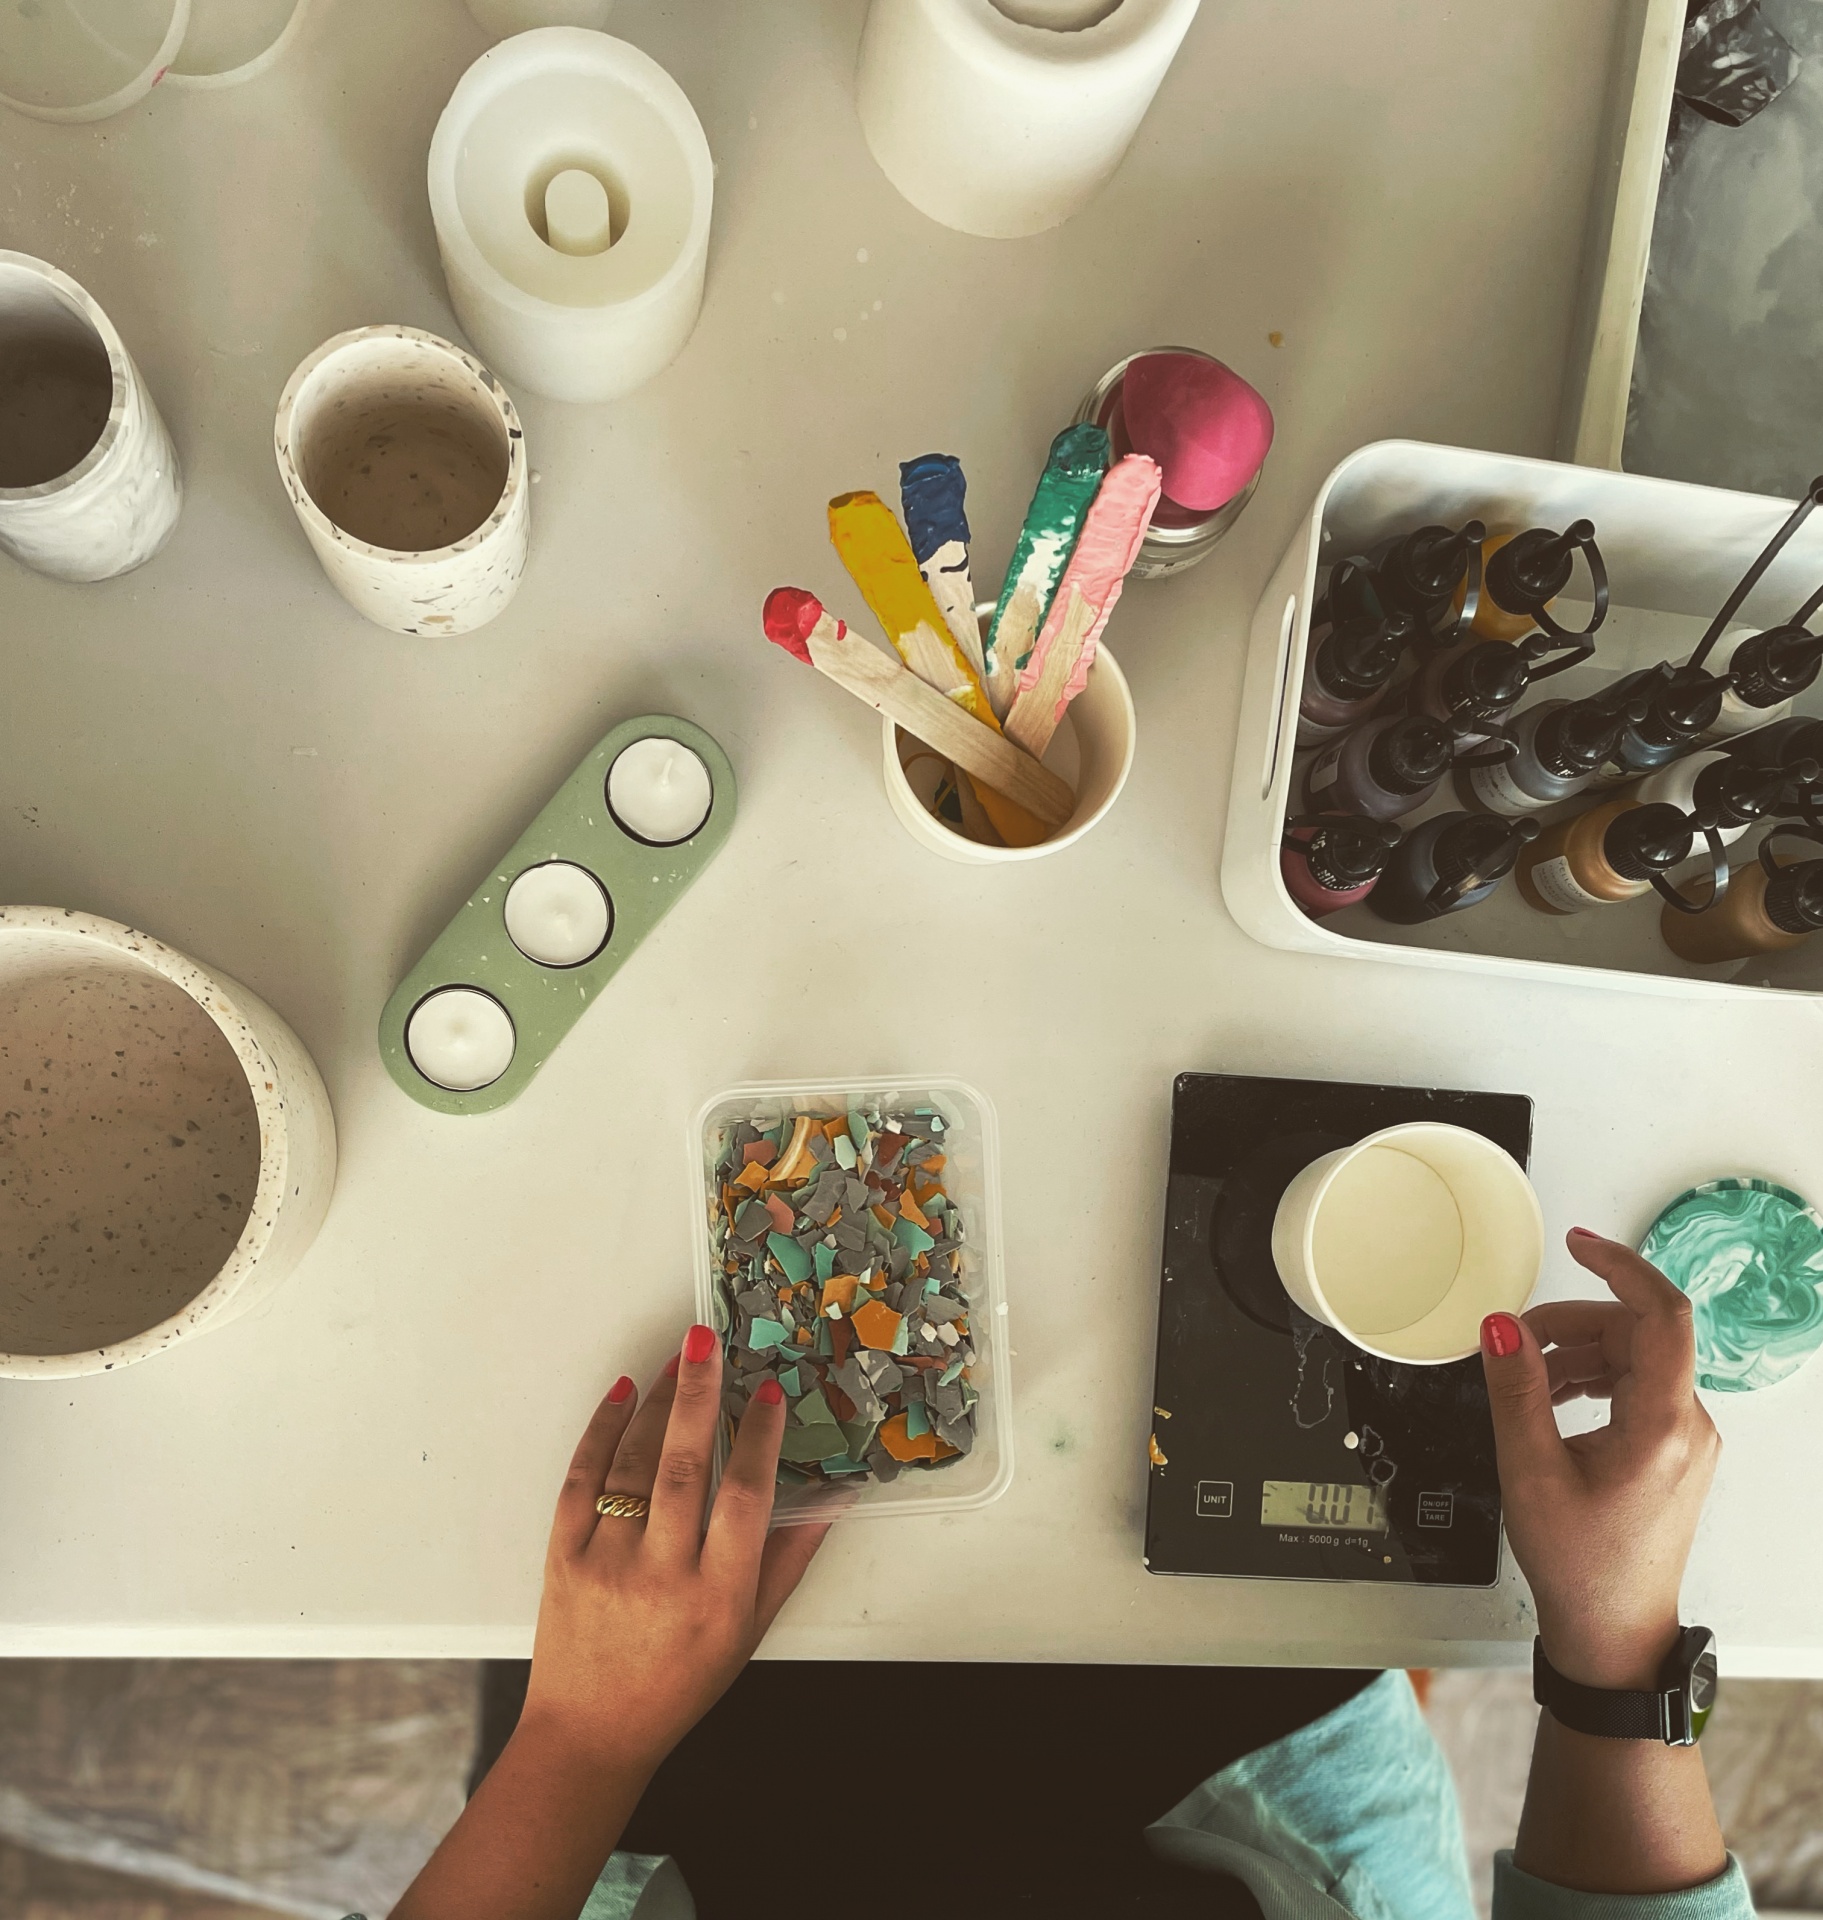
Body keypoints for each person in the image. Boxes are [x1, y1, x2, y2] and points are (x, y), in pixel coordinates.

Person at [382, 1229, 1753, 1920]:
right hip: (1252, 1818)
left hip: (700, 1835)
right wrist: (1614, 1645)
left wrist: (578, 1738)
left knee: (595, 1447)